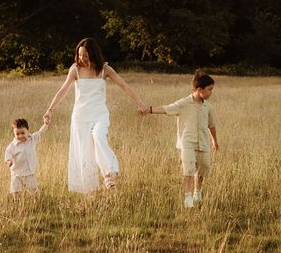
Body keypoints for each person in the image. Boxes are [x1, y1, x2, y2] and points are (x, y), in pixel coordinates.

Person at [44, 38, 146, 193]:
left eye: (85, 56)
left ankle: (109, 174)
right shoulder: (75, 69)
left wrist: (140, 103)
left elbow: (123, 85)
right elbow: (63, 90)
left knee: (98, 136)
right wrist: (50, 109)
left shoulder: (104, 69)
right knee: (85, 153)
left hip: (99, 114)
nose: (82, 59)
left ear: (93, 54)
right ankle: (89, 192)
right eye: (79, 55)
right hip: (80, 117)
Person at [140, 70, 219, 208]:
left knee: (203, 168)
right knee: (188, 169)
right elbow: (167, 109)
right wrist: (149, 109)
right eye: (210, 89)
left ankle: (197, 192)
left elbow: (211, 125)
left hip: (204, 144)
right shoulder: (183, 103)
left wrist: (215, 141)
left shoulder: (208, 107)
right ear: (199, 89)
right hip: (187, 142)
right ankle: (188, 197)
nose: (211, 92)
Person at [4, 117, 48, 198]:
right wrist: (8, 161)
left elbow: (40, 132)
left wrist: (46, 124)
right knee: (15, 189)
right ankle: (16, 202)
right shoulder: (12, 146)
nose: (20, 136)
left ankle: (36, 201)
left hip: (29, 172)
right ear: (14, 133)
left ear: (28, 131)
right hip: (16, 173)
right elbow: (8, 154)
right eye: (17, 134)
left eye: (23, 133)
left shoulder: (32, 139)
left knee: (34, 189)